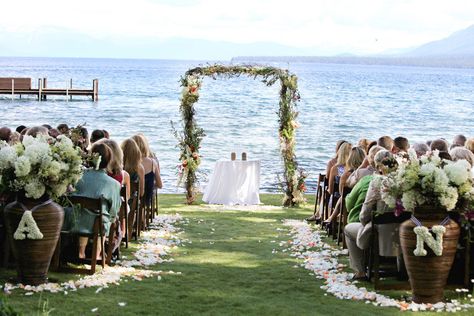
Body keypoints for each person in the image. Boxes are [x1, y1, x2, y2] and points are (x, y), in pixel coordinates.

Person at [344, 150, 399, 280]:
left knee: (348, 229)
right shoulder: (404, 181)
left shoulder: (377, 182)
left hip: (379, 234)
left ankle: (360, 272)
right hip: (402, 233)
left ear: (377, 166)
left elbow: (364, 215)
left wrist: (364, 222)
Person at [63, 143, 121, 259]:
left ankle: (81, 252)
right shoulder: (113, 184)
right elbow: (114, 209)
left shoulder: (78, 176)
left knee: (86, 214)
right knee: (103, 218)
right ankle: (97, 253)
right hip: (97, 225)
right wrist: (112, 219)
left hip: (73, 221)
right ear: (109, 160)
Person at [131, 134, 162, 207]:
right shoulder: (152, 162)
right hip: (146, 200)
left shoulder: (128, 163)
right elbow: (160, 185)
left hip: (130, 199)